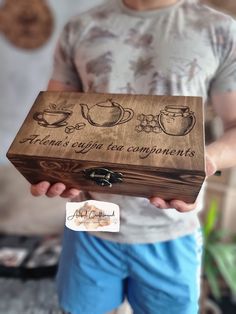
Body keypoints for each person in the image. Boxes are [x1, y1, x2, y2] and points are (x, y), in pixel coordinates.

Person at [31, 0, 236, 313]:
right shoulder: (80, 26)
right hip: (88, 218)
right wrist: (54, 169)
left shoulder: (219, 30)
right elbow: (57, 120)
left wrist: (203, 162)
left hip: (170, 227)